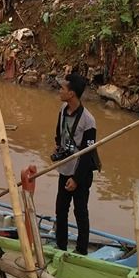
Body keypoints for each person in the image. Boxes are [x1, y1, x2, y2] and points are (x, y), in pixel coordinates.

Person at [53, 72, 98, 256]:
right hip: (65, 169)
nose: (60, 91)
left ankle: (81, 250)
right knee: (61, 211)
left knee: (80, 212)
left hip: (81, 173)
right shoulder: (63, 110)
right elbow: (58, 135)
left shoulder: (89, 121)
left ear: (71, 94)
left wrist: (77, 179)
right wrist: (58, 150)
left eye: (63, 88)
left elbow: (88, 154)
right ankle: (61, 246)